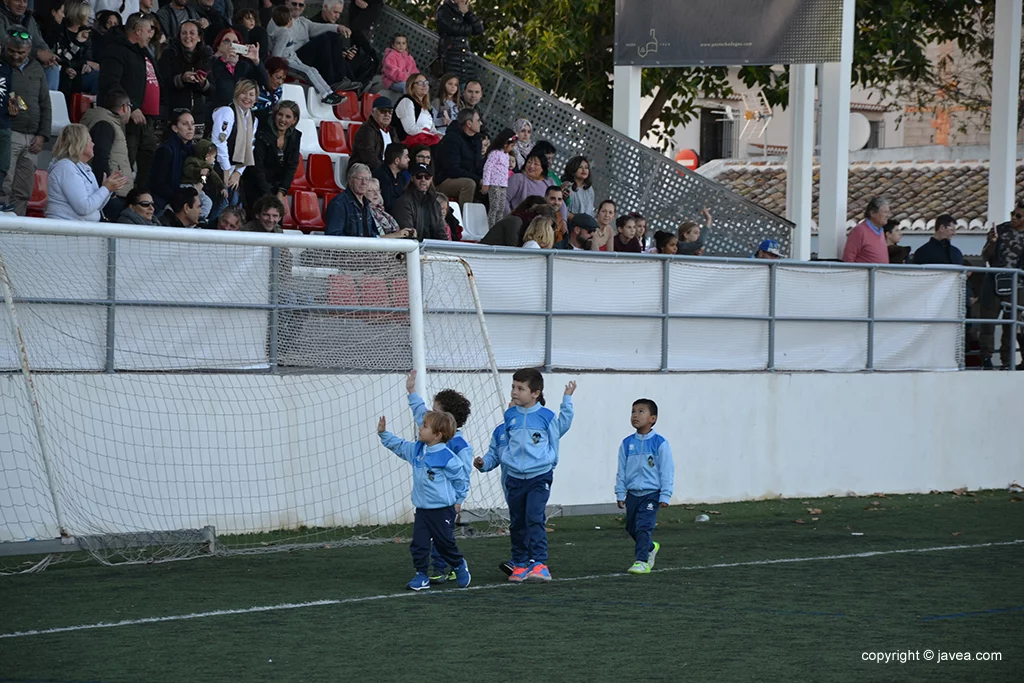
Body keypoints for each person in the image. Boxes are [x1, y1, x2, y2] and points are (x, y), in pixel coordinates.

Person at [474, 369, 575, 582]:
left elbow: (556, 439)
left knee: (534, 517)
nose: (514, 392)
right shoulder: (510, 416)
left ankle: (539, 563)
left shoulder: (546, 417)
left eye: (520, 388)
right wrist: (485, 463)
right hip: (514, 479)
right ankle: (519, 564)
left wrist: (550, 464)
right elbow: (504, 446)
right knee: (517, 522)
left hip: (539, 477)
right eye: (513, 387)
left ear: (535, 393)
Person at [377, 410, 471, 592]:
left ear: (437, 435)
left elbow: (461, 480)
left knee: (444, 543)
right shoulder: (417, 450)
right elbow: (399, 445)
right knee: (419, 544)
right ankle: (421, 574)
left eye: (425, 426)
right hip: (422, 510)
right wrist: (383, 433)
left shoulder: (448, 457)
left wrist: (458, 500)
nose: (420, 428)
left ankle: (459, 564)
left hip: (443, 510)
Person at [403, 370, 473, 584]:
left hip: (446, 502)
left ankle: (444, 567)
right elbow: (419, 411)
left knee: (444, 539)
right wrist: (411, 391)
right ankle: (429, 571)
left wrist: (459, 501)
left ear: (445, 421)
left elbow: (463, 476)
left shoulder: (460, 447)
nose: (427, 416)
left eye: (434, 411)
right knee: (424, 538)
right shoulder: (430, 436)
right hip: (426, 503)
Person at [98, 12, 158, 192]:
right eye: (149, 30)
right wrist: (132, 107)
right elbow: (111, 82)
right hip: (125, 119)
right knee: (125, 161)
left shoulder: (142, 52)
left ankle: (140, 199)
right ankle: (119, 201)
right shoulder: (115, 50)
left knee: (148, 162)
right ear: (138, 31)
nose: (151, 35)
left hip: (146, 119)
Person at [614, 398, 674, 575]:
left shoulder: (660, 443)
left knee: (643, 527)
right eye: (633, 411)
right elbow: (621, 470)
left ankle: (641, 561)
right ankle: (650, 547)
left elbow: (667, 470)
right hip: (633, 494)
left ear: (652, 419)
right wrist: (620, 492)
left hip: (651, 494)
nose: (635, 415)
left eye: (641, 412)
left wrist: (665, 495)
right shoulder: (627, 444)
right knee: (631, 528)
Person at [3, 31, 49, 217]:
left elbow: (45, 103)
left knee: (23, 190)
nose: (15, 56)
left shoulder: (37, 68)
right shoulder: (2, 66)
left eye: (20, 52)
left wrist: (43, 135)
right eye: (11, 51)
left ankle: (17, 229)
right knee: (4, 185)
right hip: (9, 132)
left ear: (29, 50)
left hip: (32, 138)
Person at [45, 123, 127, 221]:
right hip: (66, 231)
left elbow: (95, 208)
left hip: (80, 231)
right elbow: (83, 208)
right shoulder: (65, 168)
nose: (94, 144)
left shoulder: (85, 169)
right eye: (90, 141)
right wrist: (106, 188)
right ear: (80, 143)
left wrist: (108, 189)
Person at [267, 4, 342, 105]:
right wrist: (282, 66)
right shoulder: (283, 33)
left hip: (294, 59)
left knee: (312, 70)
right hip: (287, 63)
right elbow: (277, 55)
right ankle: (325, 95)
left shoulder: (285, 32)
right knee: (307, 71)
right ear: (288, 20)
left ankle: (329, 92)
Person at [979, 202, 1024, 370]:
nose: (1013, 218)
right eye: (1013, 214)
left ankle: (1006, 361)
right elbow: (985, 256)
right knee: (987, 321)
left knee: (1011, 325)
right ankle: (986, 358)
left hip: (1018, 284)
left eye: (1018, 216)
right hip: (994, 280)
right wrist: (991, 242)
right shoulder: (1001, 229)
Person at [80, 87, 135, 221]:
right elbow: (100, 158)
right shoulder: (105, 124)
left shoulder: (107, 122)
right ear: (124, 107)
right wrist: (109, 192)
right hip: (110, 194)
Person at [243, 99, 300, 212]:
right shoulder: (263, 133)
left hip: (276, 188)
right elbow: (257, 166)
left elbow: (292, 166)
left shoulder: (295, 136)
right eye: (280, 114)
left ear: (294, 120)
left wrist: (281, 192)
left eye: (288, 117)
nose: (283, 120)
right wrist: (269, 197)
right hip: (255, 186)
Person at [157, 20, 212, 136]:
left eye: (192, 33)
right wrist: (182, 79)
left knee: (196, 153)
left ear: (199, 37)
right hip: (174, 116)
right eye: (184, 33)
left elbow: (213, 89)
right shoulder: (169, 55)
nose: (188, 36)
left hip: (198, 117)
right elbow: (162, 83)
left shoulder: (207, 57)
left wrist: (203, 83)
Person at [211, 79, 259, 205]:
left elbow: (250, 147)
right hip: (217, 166)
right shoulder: (227, 112)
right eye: (244, 93)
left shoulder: (253, 119)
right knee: (220, 205)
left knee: (234, 205)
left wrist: (238, 172)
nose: (247, 97)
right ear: (237, 93)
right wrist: (226, 169)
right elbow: (219, 142)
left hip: (234, 170)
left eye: (251, 94)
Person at [0, 0, 59, 88]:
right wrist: (37, 53)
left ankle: (48, 100)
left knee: (52, 67)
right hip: (7, 60)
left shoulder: (28, 18)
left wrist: (49, 55)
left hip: (28, 61)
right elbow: (5, 44)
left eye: (25, 1)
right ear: (6, 1)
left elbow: (39, 42)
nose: (22, 5)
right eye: (17, 1)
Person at [149, 108, 196, 211]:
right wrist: (179, 197)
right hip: (163, 202)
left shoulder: (192, 149)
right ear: (175, 128)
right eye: (185, 124)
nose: (190, 128)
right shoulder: (165, 150)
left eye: (192, 124)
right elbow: (158, 184)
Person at [434, 108, 482, 207]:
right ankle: (464, 218)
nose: (480, 123)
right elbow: (452, 169)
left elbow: (478, 165)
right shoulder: (452, 139)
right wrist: (478, 180)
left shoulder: (477, 140)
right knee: (469, 184)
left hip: (466, 177)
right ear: (469, 123)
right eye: (478, 120)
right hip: (444, 180)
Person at [51, 1, 99, 98]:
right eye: (86, 14)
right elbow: (61, 59)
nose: (89, 17)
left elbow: (88, 58)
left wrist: (87, 66)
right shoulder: (61, 31)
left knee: (99, 76)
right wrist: (77, 43)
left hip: (80, 73)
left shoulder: (86, 32)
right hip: (63, 72)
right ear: (78, 14)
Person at [208, 28, 264, 110]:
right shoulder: (211, 64)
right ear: (218, 46)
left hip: (241, 113)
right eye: (227, 41)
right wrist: (224, 60)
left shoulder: (244, 66)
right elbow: (223, 92)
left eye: (235, 42)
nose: (231, 45)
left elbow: (264, 83)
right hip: (219, 112)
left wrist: (256, 61)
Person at [392, 163, 449, 241]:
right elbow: (408, 234)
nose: (423, 180)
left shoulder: (435, 204)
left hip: (433, 249)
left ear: (431, 179)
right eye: (419, 176)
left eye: (427, 177)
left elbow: (441, 233)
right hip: (413, 249)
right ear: (412, 178)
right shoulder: (403, 202)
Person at [507, 152, 565, 222]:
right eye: (529, 162)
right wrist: (510, 218)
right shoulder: (518, 178)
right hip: (518, 221)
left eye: (536, 164)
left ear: (543, 168)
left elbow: (561, 202)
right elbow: (505, 199)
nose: (531, 166)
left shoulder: (549, 182)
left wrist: (563, 220)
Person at [436, 0, 483, 85]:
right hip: (451, 57)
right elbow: (451, 28)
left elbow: (479, 29)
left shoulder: (466, 10)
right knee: (451, 85)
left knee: (465, 88)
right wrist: (469, 28)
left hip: (466, 60)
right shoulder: (444, 9)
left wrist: (467, 13)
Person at [325, 163, 376, 237]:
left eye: (367, 179)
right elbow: (333, 235)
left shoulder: (367, 203)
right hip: (350, 248)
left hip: (367, 247)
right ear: (350, 180)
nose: (364, 182)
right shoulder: (339, 203)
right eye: (360, 178)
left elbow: (372, 232)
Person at [480, 127, 515, 227]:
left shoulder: (506, 155)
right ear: (505, 144)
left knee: (501, 208)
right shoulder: (495, 153)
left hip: (503, 185)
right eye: (511, 145)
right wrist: (486, 183)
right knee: (494, 207)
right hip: (494, 185)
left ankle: (497, 227)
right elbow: (487, 167)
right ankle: (491, 227)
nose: (512, 148)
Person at [395, 72, 440, 146]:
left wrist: (442, 136)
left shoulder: (426, 107)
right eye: (420, 83)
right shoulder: (406, 101)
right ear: (412, 86)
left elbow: (433, 130)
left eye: (426, 82)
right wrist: (431, 135)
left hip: (425, 141)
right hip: (410, 143)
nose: (424, 85)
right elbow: (410, 129)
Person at [349, 96, 393, 170]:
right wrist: (385, 171)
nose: (387, 114)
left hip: (383, 168)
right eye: (383, 111)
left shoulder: (392, 131)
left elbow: (398, 152)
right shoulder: (366, 129)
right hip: (365, 169)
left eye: (390, 112)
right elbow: (368, 156)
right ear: (373, 112)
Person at [842, 197, 890, 264]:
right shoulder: (859, 231)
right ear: (872, 213)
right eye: (885, 212)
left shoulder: (881, 232)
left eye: (888, 212)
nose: (888, 215)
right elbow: (848, 258)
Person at [371, 141, 408, 214]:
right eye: (406, 157)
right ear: (397, 161)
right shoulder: (380, 176)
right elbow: (387, 204)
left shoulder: (401, 177)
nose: (409, 159)